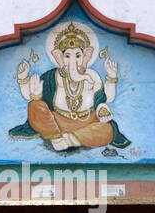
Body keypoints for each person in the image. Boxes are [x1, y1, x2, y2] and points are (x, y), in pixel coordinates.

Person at [8, 22, 130, 152]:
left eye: (78, 55)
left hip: (87, 122)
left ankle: (69, 140)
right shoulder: (52, 77)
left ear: (86, 56)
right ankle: (56, 137)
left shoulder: (91, 75)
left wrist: (110, 78)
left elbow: (106, 98)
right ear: (59, 57)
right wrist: (23, 78)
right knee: (35, 106)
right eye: (68, 56)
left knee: (107, 130)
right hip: (57, 123)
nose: (73, 60)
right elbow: (28, 95)